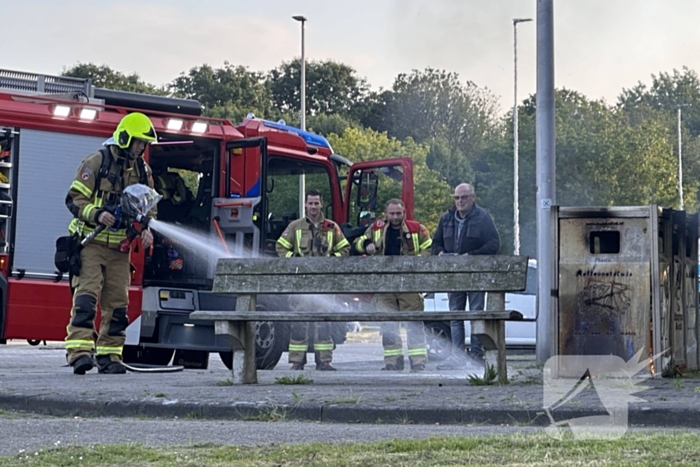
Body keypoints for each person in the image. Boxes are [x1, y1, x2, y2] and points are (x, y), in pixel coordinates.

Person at [64, 112, 158, 375]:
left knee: (118, 303)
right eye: (138, 142)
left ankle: (110, 355)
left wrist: (147, 229)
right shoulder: (97, 162)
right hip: (90, 243)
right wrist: (97, 214)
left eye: (144, 143)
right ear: (125, 137)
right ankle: (80, 352)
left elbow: (148, 208)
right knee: (87, 297)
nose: (141, 147)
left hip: (120, 248)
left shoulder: (142, 170)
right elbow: (74, 200)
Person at [276, 189, 350, 371]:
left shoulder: (332, 227)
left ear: (321, 204)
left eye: (316, 203)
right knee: (299, 322)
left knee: (324, 322)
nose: (313, 207)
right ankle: (297, 362)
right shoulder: (295, 227)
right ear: (305, 205)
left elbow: (345, 249)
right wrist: (294, 261)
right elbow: (281, 247)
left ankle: (324, 361)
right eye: (310, 203)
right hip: (300, 283)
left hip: (324, 283)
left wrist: (331, 262)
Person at [354, 199, 432, 371]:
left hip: (409, 284)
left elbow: (429, 249)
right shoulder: (376, 228)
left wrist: (416, 264)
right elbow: (357, 242)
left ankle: (418, 362)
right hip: (384, 285)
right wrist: (367, 244)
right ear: (386, 214)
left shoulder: (417, 229)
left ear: (404, 212)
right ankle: (392, 362)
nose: (395, 217)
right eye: (392, 214)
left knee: (414, 324)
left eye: (398, 213)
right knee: (388, 325)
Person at [431, 183, 500, 369]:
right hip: (454, 275)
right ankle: (457, 356)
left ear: (473, 197)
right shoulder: (446, 219)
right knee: (455, 316)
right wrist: (439, 253)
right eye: (457, 198)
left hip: (476, 274)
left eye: (464, 197)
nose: (460, 201)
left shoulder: (483, 217)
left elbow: (494, 244)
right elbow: (435, 243)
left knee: (475, 314)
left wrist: (472, 256)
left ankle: (476, 356)